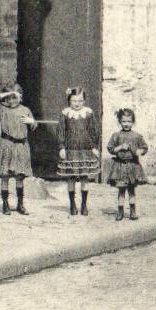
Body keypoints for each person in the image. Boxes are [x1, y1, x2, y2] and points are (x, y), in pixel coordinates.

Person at [0, 85, 38, 213]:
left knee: (19, 177)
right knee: (5, 176)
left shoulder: (25, 110)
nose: (12, 101)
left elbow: (34, 127)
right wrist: (8, 93)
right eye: (9, 98)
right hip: (6, 145)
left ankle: (20, 205)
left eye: (15, 98)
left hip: (21, 146)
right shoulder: (2, 109)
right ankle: (5, 204)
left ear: (20, 97)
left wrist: (31, 121)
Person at [58, 85, 99, 215]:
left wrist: (94, 147)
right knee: (71, 177)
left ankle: (84, 205)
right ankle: (72, 205)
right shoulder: (65, 114)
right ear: (69, 100)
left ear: (84, 101)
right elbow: (60, 131)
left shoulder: (88, 113)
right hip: (71, 150)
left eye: (80, 101)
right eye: (74, 101)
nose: (77, 104)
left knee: (84, 178)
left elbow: (94, 131)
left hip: (85, 150)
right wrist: (61, 147)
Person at [105, 107, 149, 220]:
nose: (126, 124)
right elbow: (110, 148)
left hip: (133, 166)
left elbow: (144, 148)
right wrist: (119, 147)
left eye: (129, 121)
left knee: (131, 190)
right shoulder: (116, 135)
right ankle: (120, 211)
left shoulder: (137, 136)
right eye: (124, 121)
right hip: (119, 166)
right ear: (120, 121)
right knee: (121, 190)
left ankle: (133, 211)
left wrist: (138, 151)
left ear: (133, 122)